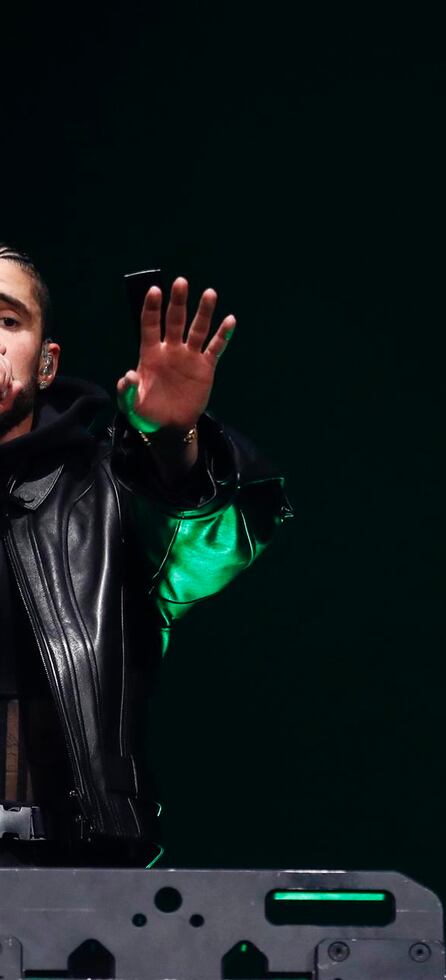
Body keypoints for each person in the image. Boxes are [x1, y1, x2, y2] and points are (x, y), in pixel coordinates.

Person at [0, 244, 290, 866]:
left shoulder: (104, 486)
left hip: (69, 870)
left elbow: (208, 544)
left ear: (47, 363)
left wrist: (173, 443)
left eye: (7, 320)